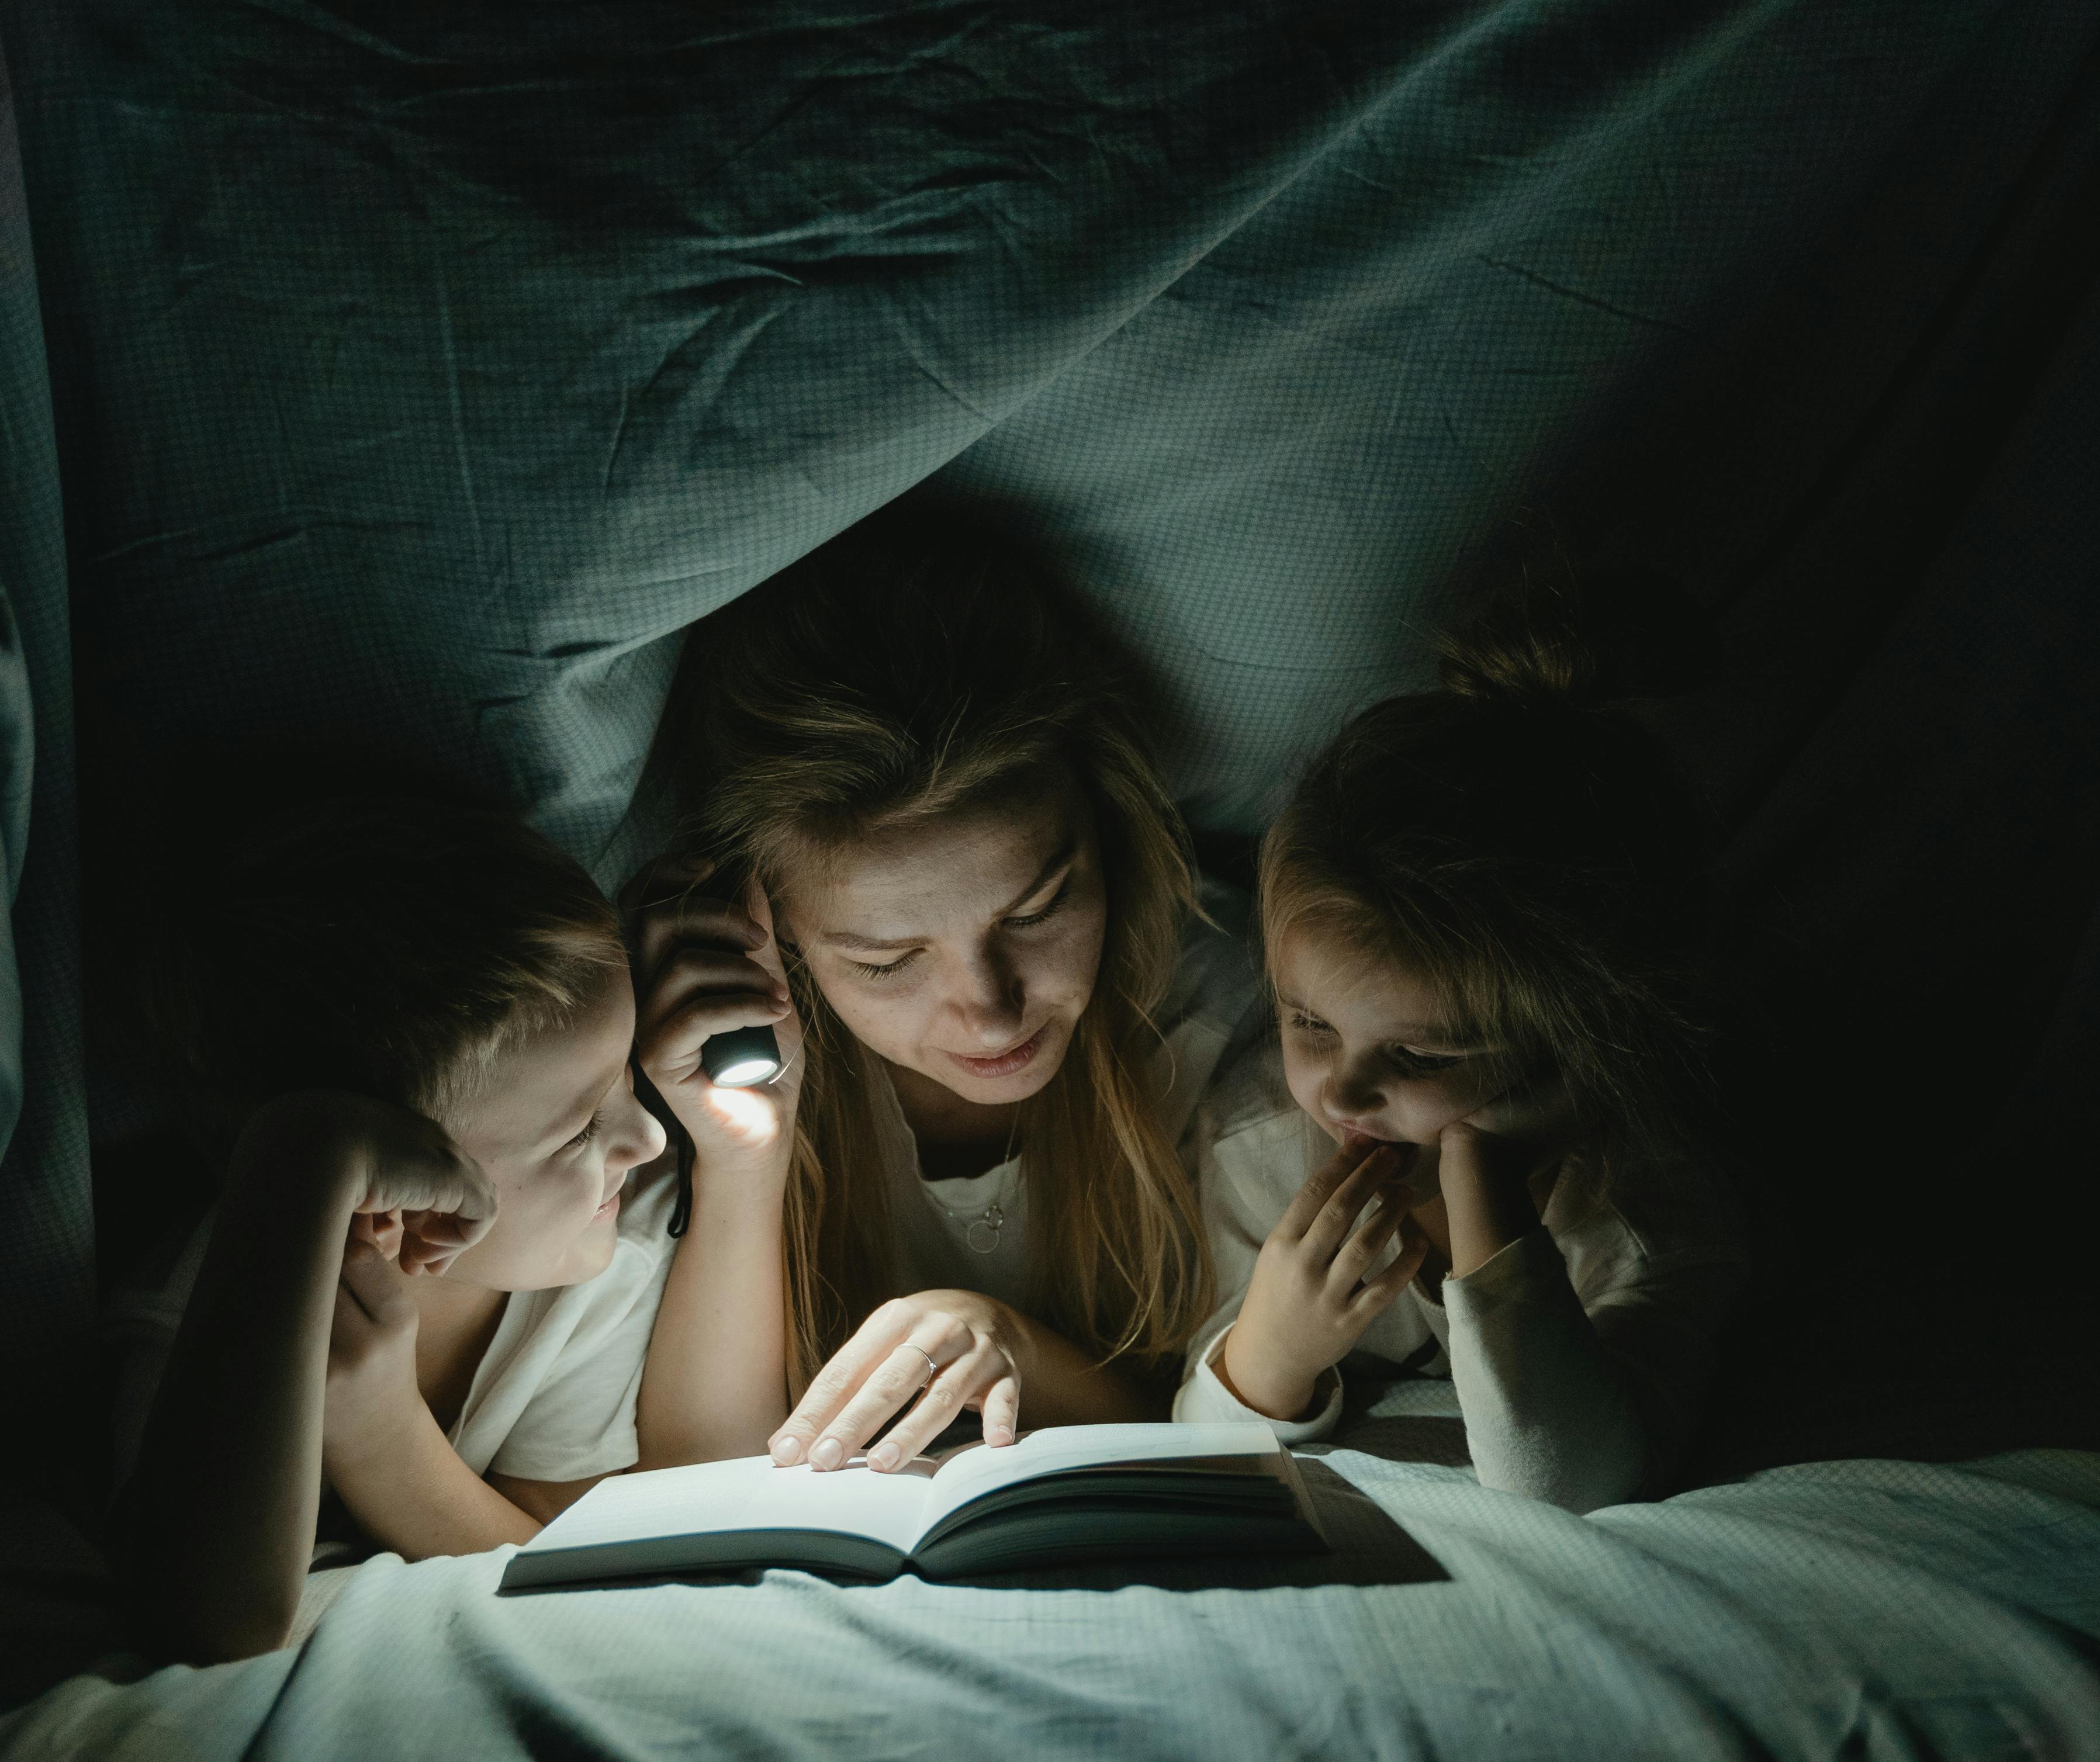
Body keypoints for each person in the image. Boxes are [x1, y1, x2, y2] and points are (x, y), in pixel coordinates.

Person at [628, 508, 1248, 1474]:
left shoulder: (1224, 1015)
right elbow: (701, 1469)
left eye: (1039, 908)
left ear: (1106, 827)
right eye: (884, 961)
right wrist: (742, 1171)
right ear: (771, 930)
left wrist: (1011, 1341)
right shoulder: (715, 1050)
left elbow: (1243, 1416)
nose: (993, 1010)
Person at [1174, 572, 1749, 1511]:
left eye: (1424, 1057)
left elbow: (1568, 1477)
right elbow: (1200, 1442)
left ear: (1579, 1055)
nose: (1341, 1095)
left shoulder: (1640, 1203)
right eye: (1309, 1023)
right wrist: (1270, 1353)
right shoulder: (1264, 1143)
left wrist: (1482, 1188)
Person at [105, 787, 669, 1662]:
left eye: (626, 1078)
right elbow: (210, 1623)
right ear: (396, 1192)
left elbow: (563, 1555)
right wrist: (305, 1158)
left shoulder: (588, 1266)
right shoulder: (195, 1324)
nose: (651, 1137)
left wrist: (384, 1438)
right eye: (581, 1128)